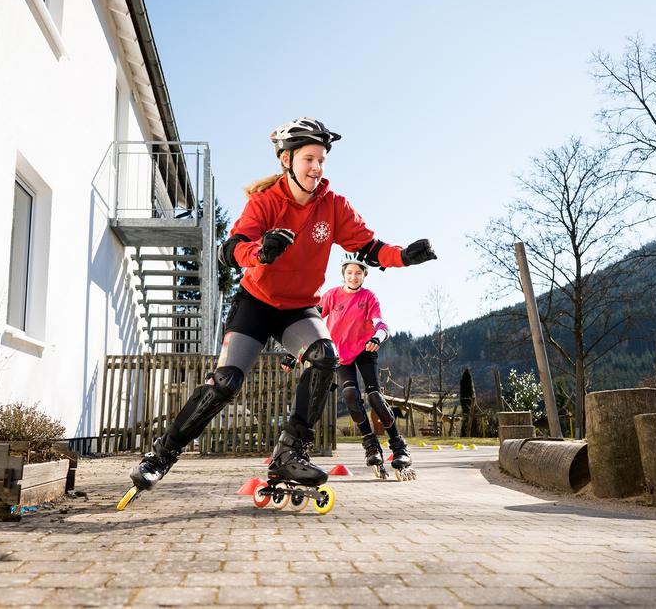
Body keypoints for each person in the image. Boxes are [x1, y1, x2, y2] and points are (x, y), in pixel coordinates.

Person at [129, 117, 437, 492]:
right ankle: (160, 456)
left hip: (299, 309)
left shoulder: (333, 206)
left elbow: (369, 247)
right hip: (256, 304)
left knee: (325, 356)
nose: (317, 168)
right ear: (286, 160)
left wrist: (403, 256)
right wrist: (262, 251)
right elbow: (230, 251)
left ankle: (290, 453)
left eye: (321, 160)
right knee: (226, 382)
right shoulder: (266, 202)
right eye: (309, 159)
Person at [318, 254, 412, 478]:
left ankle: (399, 447)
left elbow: (381, 325)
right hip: (341, 355)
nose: (353, 277)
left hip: (365, 349)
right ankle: (371, 445)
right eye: (349, 273)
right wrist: (295, 352)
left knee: (374, 397)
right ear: (343, 274)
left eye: (358, 273)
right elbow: (313, 321)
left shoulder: (368, 297)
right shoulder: (331, 295)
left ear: (364, 275)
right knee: (350, 394)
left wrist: (377, 338)